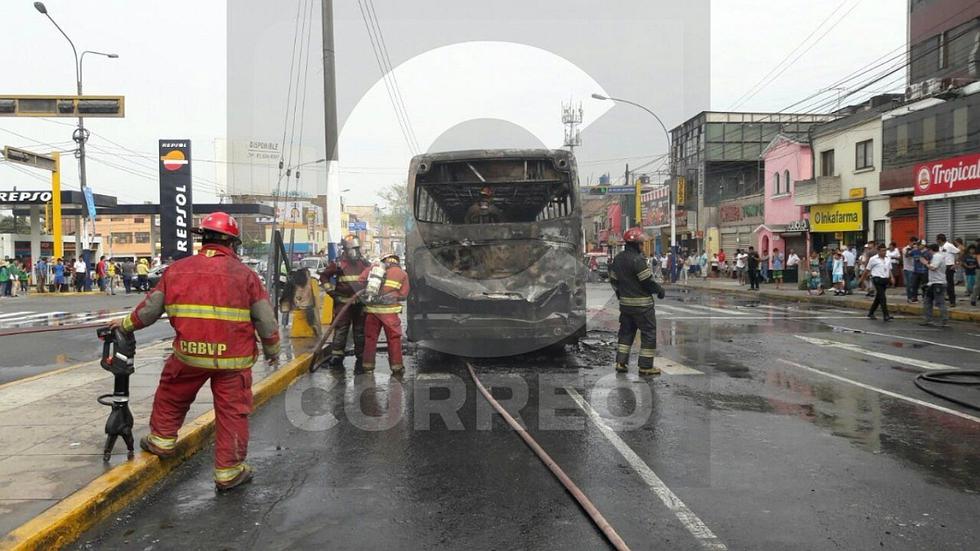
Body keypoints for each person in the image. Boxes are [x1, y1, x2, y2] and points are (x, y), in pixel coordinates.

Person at [108, 212, 280, 491]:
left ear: (203, 239)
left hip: (189, 355)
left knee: (172, 394)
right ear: (232, 243)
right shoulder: (246, 275)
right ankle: (228, 472)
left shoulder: (177, 270)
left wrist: (125, 325)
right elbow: (265, 320)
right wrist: (272, 349)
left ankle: (162, 441)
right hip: (233, 361)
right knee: (232, 413)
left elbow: (149, 310)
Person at [609, 228, 665, 375]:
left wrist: (621, 296)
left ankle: (621, 363)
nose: (642, 247)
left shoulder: (618, 259)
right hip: (643, 307)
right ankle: (646, 366)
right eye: (641, 244)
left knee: (626, 333)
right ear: (636, 245)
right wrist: (659, 290)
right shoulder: (638, 260)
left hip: (626, 306)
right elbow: (647, 281)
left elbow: (613, 281)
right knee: (648, 333)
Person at [318, 236, 371, 368]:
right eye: (354, 249)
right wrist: (331, 292)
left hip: (360, 303)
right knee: (341, 329)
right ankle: (337, 355)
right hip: (342, 303)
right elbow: (324, 277)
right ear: (346, 250)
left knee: (360, 330)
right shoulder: (338, 264)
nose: (357, 252)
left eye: (358, 249)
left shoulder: (364, 263)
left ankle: (361, 355)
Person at [359, 253, 410, 373]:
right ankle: (396, 367)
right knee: (394, 339)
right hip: (390, 314)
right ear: (396, 262)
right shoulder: (402, 274)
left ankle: (368, 366)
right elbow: (404, 295)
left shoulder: (374, 269)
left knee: (370, 339)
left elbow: (360, 281)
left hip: (372, 313)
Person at [861, 244, 894, 321]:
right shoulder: (873, 259)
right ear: (878, 251)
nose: (884, 252)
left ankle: (871, 312)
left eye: (885, 250)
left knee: (878, 298)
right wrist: (862, 280)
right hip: (877, 279)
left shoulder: (888, 258)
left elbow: (889, 269)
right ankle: (886, 315)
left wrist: (892, 277)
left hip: (885, 279)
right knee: (882, 297)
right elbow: (867, 270)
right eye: (882, 251)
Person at [921, 243, 948, 327]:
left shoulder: (937, 257)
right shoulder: (937, 257)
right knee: (927, 301)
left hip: (938, 283)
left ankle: (944, 319)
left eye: (929, 250)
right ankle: (928, 319)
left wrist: (925, 263)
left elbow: (933, 268)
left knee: (940, 302)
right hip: (932, 283)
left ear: (931, 250)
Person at [937, 234, 959, 306]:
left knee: (950, 285)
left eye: (937, 239)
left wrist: (956, 263)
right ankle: (943, 299)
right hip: (942, 267)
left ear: (940, 239)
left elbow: (959, 252)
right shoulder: (940, 247)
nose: (936, 241)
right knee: (942, 284)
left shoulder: (949, 245)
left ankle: (952, 302)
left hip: (949, 267)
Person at [902, 236, 920, 303]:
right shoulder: (905, 249)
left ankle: (914, 297)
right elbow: (907, 255)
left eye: (916, 243)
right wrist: (913, 249)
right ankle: (910, 298)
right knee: (909, 285)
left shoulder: (917, 249)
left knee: (915, 285)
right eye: (913, 243)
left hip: (915, 269)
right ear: (910, 242)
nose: (914, 245)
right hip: (908, 269)